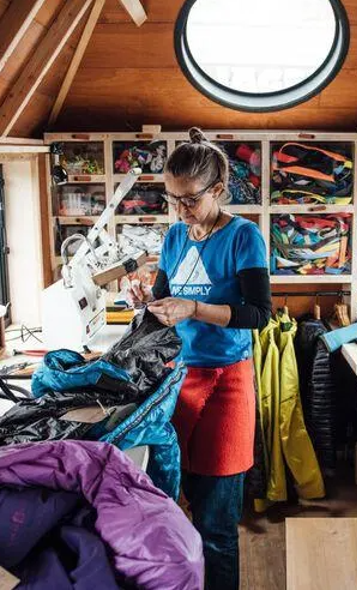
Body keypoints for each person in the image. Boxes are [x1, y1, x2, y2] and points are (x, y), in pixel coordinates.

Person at [130, 127, 271, 590]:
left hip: (227, 383)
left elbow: (257, 314)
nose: (179, 209)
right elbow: (166, 305)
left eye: (189, 199)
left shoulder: (244, 237)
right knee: (176, 507)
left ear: (218, 190)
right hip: (178, 381)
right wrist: (146, 302)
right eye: (171, 198)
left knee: (216, 525)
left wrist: (194, 309)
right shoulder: (174, 237)